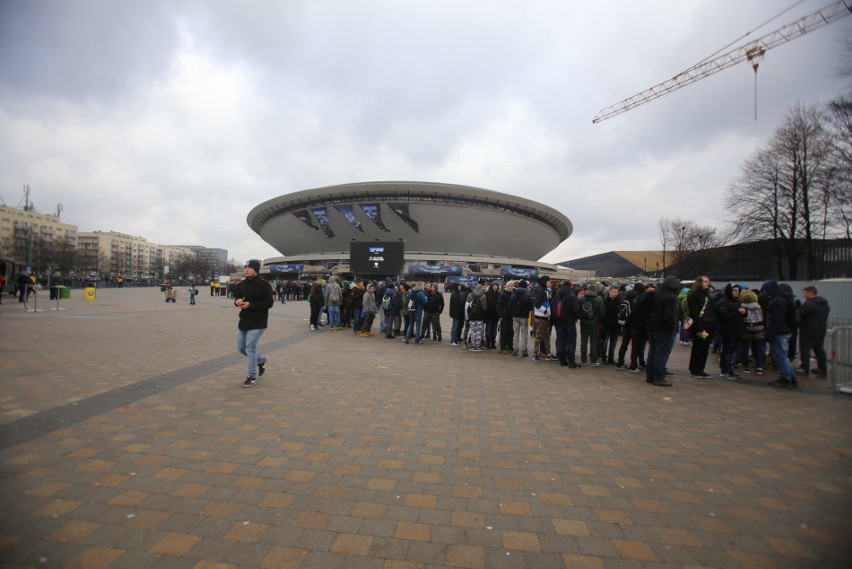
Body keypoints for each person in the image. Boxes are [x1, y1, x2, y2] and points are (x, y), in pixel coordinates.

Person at [234, 260, 274, 388]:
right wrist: (238, 302)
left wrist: (250, 305)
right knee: (241, 348)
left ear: (256, 270)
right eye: (246, 267)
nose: (246, 270)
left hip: (258, 321)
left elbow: (269, 303)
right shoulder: (243, 283)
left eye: (250, 268)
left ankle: (251, 376)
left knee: (250, 348)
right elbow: (237, 297)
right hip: (244, 320)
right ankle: (260, 359)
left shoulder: (264, 285)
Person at [645, 275, 682, 387]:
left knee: (653, 352)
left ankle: (650, 375)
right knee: (662, 354)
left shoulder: (654, 293)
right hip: (664, 330)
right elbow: (669, 317)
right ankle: (659, 377)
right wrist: (671, 329)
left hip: (652, 327)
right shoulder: (670, 298)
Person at [762, 279, 798, 389]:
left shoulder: (777, 301)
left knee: (780, 356)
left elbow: (776, 320)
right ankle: (791, 376)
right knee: (782, 355)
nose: (764, 293)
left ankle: (786, 378)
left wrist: (769, 334)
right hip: (782, 331)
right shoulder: (782, 299)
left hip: (779, 332)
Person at [686, 276, 716, 379]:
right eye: (705, 281)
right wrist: (699, 328)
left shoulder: (707, 295)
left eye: (708, 281)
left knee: (705, 348)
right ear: (700, 282)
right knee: (698, 347)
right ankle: (695, 369)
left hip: (709, 326)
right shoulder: (694, 295)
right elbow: (694, 313)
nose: (708, 283)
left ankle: (701, 369)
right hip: (701, 326)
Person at [715, 283, 746, 381]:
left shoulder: (738, 302)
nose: (736, 292)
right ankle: (725, 370)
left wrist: (744, 313)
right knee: (727, 351)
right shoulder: (723, 303)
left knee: (731, 351)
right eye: (734, 290)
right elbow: (725, 315)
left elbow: (740, 315)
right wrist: (738, 312)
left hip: (737, 330)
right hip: (727, 330)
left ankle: (728, 368)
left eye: (738, 290)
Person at [798, 286, 830, 376]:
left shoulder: (809, 304)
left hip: (808, 331)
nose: (804, 295)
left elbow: (800, 314)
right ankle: (822, 368)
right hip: (820, 331)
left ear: (810, 293)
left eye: (805, 293)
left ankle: (804, 367)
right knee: (819, 349)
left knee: (805, 349)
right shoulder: (825, 304)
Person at [551, 281, 579, 367]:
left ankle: (562, 360)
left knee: (561, 340)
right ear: (570, 286)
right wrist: (574, 318)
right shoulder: (572, 297)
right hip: (569, 322)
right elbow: (576, 310)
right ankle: (571, 361)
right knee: (571, 341)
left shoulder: (556, 297)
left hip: (559, 322)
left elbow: (552, 309)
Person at [577, 284, 605, 366]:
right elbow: (602, 312)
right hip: (594, 323)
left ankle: (583, 360)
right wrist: (598, 320)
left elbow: (578, 310)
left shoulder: (581, 298)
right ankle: (593, 360)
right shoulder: (599, 299)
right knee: (593, 342)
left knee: (583, 341)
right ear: (595, 290)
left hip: (584, 323)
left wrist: (581, 318)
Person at [511, 280, 534, 358]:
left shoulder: (513, 295)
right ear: (526, 287)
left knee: (515, 334)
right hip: (524, 317)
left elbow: (509, 305)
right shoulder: (527, 295)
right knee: (524, 334)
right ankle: (524, 351)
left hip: (515, 317)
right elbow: (531, 307)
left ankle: (515, 350)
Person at [600, 285, 622, 364]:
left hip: (616, 326)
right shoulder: (605, 301)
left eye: (617, 292)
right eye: (614, 292)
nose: (616, 293)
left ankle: (611, 357)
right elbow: (603, 314)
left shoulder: (619, 301)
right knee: (605, 343)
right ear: (610, 292)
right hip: (607, 326)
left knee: (613, 343)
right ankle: (603, 357)